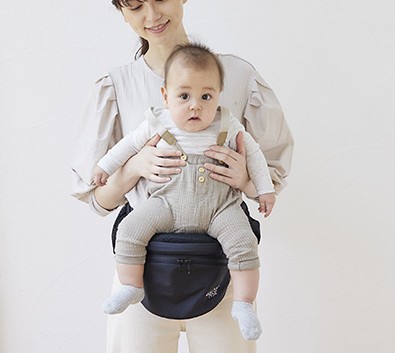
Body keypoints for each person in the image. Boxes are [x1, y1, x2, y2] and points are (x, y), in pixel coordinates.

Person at [71, 0, 293, 353]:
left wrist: (246, 178)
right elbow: (98, 200)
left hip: (221, 269)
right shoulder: (115, 87)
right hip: (142, 276)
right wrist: (136, 166)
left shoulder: (239, 77)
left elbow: (271, 177)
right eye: (135, 6)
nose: (152, 15)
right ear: (121, 12)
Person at [93, 44, 276, 340]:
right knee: (129, 229)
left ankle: (243, 304)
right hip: (166, 204)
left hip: (220, 209)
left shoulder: (227, 125)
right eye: (184, 96)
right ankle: (131, 286)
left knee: (244, 243)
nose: (195, 105)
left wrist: (262, 190)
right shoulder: (156, 123)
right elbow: (125, 146)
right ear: (166, 96)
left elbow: (254, 156)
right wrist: (104, 166)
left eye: (206, 96)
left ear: (218, 95)